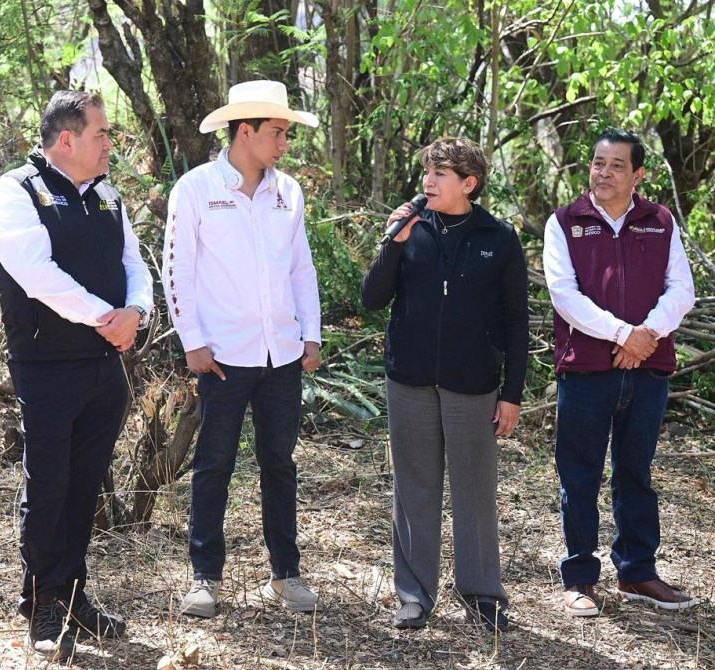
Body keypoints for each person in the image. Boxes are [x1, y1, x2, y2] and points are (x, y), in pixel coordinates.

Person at [0, 90, 153, 661]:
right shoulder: (15, 193)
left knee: (86, 485)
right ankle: (41, 600)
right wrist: (107, 318)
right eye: (102, 135)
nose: (111, 145)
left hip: (106, 365)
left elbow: (134, 261)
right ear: (67, 140)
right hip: (47, 365)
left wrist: (138, 314)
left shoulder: (105, 193)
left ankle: (74, 591)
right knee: (49, 484)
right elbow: (34, 272)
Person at [163, 80, 322, 619]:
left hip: (282, 353)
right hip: (223, 355)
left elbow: (301, 266)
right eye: (277, 132)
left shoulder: (288, 192)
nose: (284, 142)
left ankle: (286, 574)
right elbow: (177, 269)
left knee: (280, 462)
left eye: (286, 132)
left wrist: (312, 333)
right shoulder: (195, 187)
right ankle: (205, 577)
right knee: (215, 464)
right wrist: (194, 342)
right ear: (245, 131)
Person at [361, 137, 528, 633]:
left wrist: (512, 393)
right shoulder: (410, 229)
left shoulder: (498, 237)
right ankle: (414, 595)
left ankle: (481, 593)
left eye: (439, 174)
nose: (428, 182)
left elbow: (517, 322)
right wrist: (393, 241)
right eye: (426, 173)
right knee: (413, 486)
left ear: (468, 184)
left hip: (473, 385)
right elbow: (372, 299)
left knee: (475, 489)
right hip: (408, 380)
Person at [543, 129, 697, 616]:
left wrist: (644, 335)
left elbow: (682, 290)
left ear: (638, 174)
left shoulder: (660, 220)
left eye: (615, 165)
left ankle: (637, 573)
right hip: (586, 370)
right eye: (597, 163)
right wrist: (620, 334)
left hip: (647, 370)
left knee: (636, 473)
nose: (603, 172)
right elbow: (563, 295)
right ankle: (579, 580)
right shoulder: (565, 222)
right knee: (580, 475)